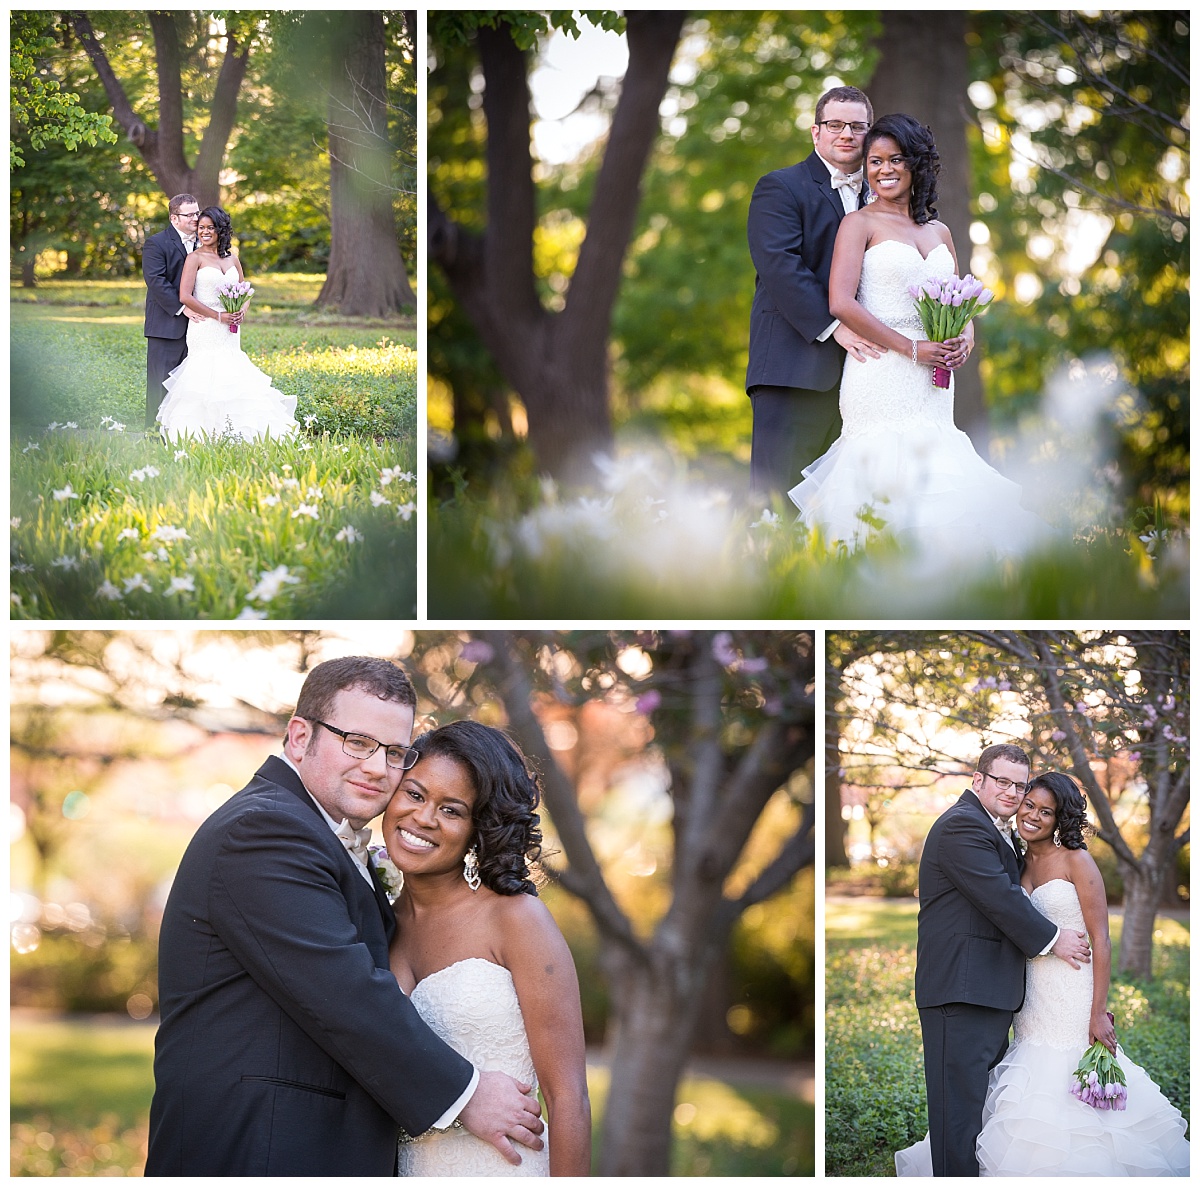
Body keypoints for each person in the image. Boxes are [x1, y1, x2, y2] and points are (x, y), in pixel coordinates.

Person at [145, 656, 545, 1176]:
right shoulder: (264, 830)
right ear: (298, 737)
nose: (377, 768)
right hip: (254, 1149)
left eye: (395, 752)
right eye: (356, 742)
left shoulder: (312, 831)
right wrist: (465, 1093)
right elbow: (345, 993)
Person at [786, 114, 1044, 552]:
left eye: (895, 159)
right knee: (884, 471)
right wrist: (911, 348)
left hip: (934, 381)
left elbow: (959, 300)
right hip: (881, 369)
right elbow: (841, 303)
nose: (884, 169)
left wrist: (965, 337)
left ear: (916, 164)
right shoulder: (860, 225)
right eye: (874, 162)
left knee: (939, 473)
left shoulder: (939, 231)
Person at [381, 720, 591, 1176]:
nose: (424, 818)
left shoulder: (515, 919)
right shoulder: (376, 920)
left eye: (452, 810)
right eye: (415, 794)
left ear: (480, 828)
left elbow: (567, 1096)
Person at [971, 772, 1190, 1175]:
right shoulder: (1015, 862)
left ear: (1060, 819)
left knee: (1072, 1071)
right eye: (1029, 805)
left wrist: (1097, 1011)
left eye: (1046, 811)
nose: (1033, 816)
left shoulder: (1077, 860)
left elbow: (1101, 939)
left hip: (1074, 993)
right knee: (1032, 1078)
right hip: (1032, 997)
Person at [902, 743, 1092, 1177]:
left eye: (1019, 785)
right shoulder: (962, 826)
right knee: (958, 1116)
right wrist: (1054, 938)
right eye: (1002, 781)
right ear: (978, 780)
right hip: (961, 990)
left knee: (977, 1110)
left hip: (987, 990)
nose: (1011, 792)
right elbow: (999, 899)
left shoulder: (997, 829)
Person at [745, 85, 885, 500]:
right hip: (794, 370)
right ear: (816, 132)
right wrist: (832, 325)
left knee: (845, 507)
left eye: (857, 126)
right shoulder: (781, 187)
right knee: (780, 502)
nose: (846, 134)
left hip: (865, 379)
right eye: (835, 125)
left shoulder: (887, 197)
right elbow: (779, 264)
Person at [156, 205, 298, 442]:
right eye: (201, 228)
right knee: (207, 376)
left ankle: (236, 434)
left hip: (230, 330)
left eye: (210, 228)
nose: (205, 232)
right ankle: (201, 436)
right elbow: (185, 296)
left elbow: (245, 290)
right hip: (206, 327)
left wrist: (241, 310)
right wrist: (217, 315)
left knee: (233, 373)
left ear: (221, 230)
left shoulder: (232, 258)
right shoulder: (194, 258)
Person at [142, 193, 200, 429]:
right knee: (161, 383)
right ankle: (154, 433)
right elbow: (156, 281)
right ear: (174, 218)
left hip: (199, 327)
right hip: (166, 325)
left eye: (197, 212)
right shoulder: (156, 243)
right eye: (190, 215)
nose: (196, 218)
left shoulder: (205, 242)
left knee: (191, 382)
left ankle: (185, 431)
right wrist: (181, 308)